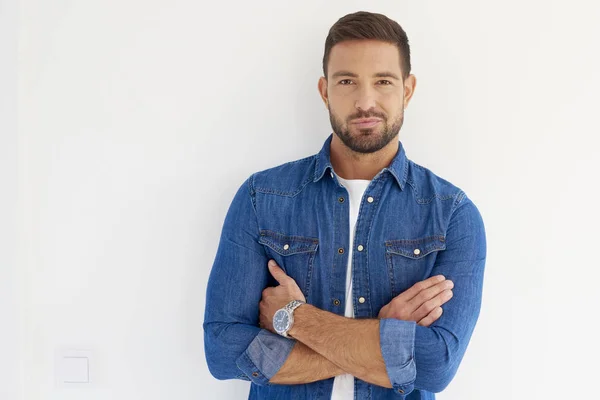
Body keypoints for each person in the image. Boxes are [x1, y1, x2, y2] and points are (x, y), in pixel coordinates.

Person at [204, 10, 487, 400]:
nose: (364, 101)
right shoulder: (261, 198)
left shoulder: (452, 215)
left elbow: (436, 365)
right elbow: (222, 350)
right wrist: (384, 333)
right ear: (325, 91)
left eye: (383, 81)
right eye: (347, 81)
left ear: (407, 89)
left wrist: (295, 320)